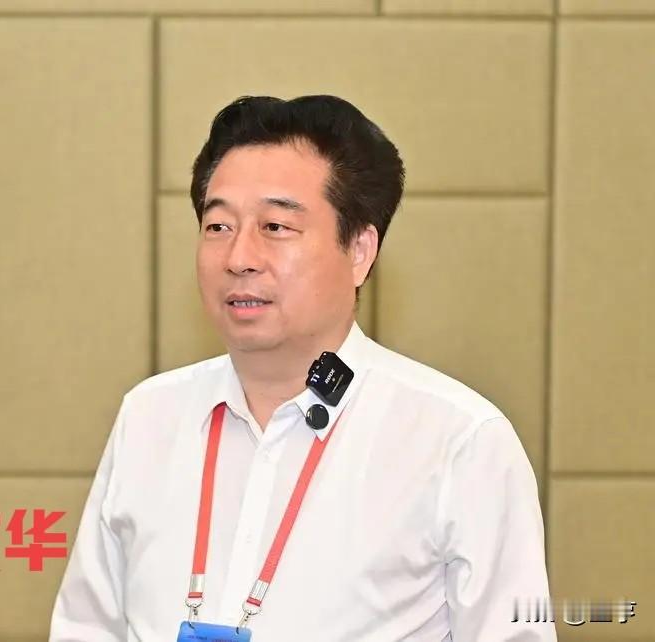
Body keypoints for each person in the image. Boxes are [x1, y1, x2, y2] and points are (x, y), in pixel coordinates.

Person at [49, 95, 555, 641]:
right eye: (218, 226)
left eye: (275, 226)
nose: (239, 257)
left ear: (359, 251)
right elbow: (85, 628)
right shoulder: (150, 415)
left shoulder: (457, 441)